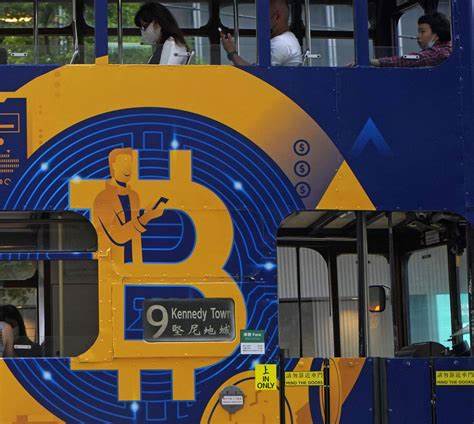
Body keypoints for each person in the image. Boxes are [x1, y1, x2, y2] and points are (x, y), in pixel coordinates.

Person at [93, 148, 167, 264]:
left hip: (135, 262)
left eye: (130, 163)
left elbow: (132, 230)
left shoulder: (133, 196)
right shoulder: (102, 198)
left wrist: (146, 213)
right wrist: (146, 217)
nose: (127, 167)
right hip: (113, 264)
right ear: (113, 165)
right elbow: (116, 237)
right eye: (123, 162)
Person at [221, 0, 302, 66]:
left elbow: (256, 74)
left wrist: (231, 52)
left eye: (265, 16)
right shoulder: (289, 39)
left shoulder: (281, 43)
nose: (262, 22)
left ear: (276, 17)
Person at [372, 12, 452, 67]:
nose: (418, 36)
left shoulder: (441, 53)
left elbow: (413, 60)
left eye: (422, 32)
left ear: (436, 35)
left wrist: (377, 62)